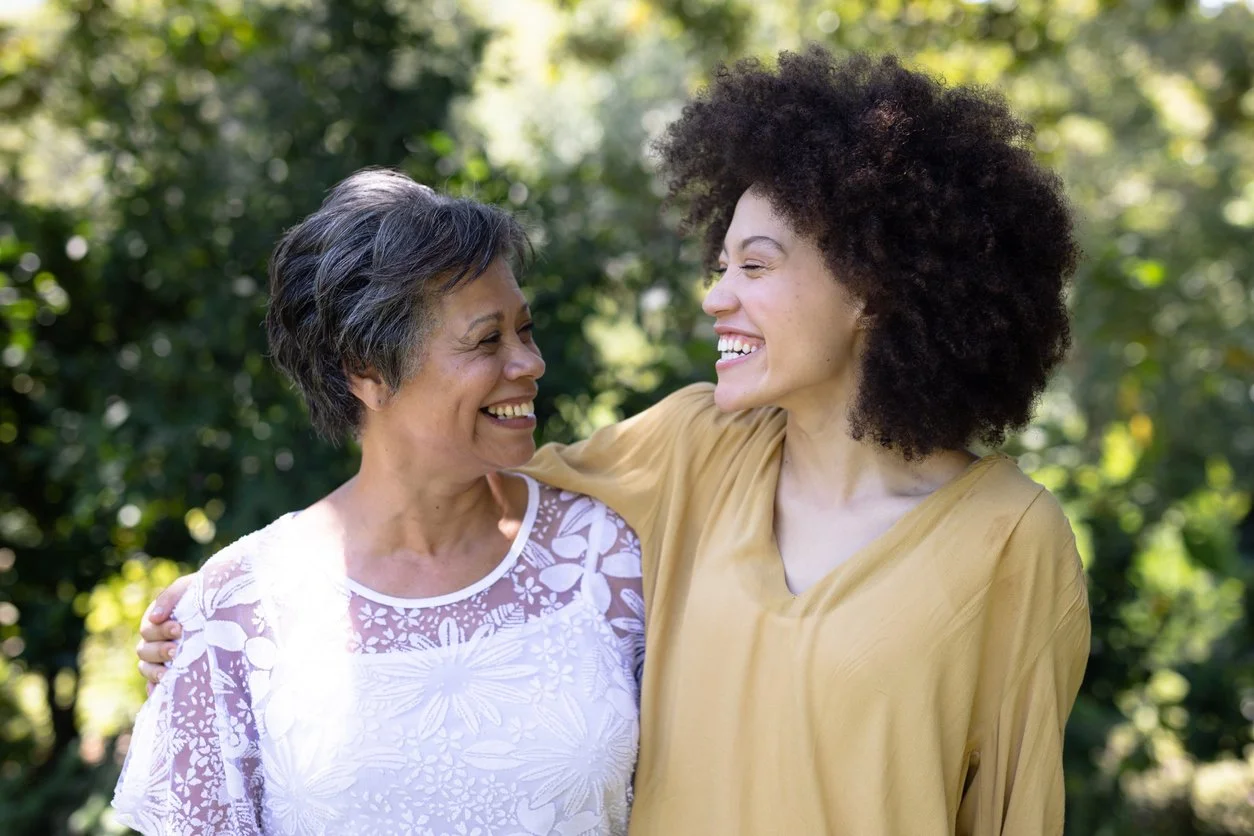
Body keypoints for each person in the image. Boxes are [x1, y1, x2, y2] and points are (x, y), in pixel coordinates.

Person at [137, 48, 1089, 834]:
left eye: (755, 266)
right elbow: (442, 476)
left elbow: (1015, 811)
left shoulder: (1012, 540)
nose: (717, 296)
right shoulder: (694, 447)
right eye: (721, 264)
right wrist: (239, 597)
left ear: (876, 285)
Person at [113, 169, 645, 835]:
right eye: (487, 340)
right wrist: (212, 613)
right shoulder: (237, 611)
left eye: (525, 330)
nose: (530, 362)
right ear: (365, 368)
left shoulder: (609, 558)